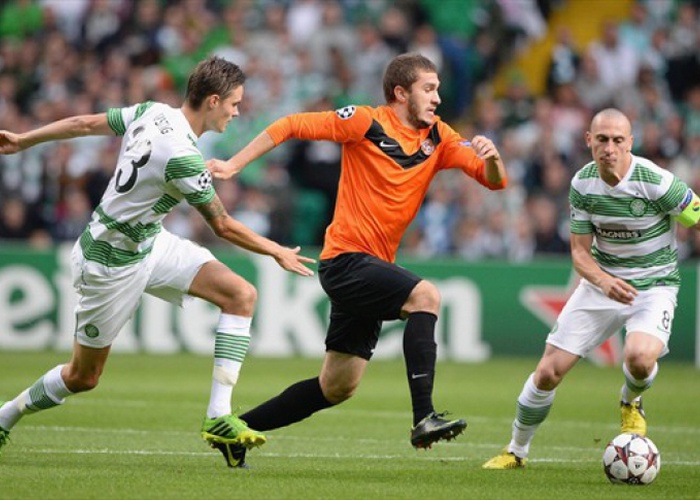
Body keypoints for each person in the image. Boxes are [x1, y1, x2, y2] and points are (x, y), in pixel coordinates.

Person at [0, 56, 316, 466]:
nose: (237, 112)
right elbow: (222, 225)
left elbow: (84, 123)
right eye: (234, 104)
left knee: (240, 295)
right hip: (110, 261)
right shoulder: (183, 156)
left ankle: (218, 416)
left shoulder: (153, 111)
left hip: (149, 242)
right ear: (213, 101)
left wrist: (24, 140)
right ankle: (5, 415)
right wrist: (276, 250)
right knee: (83, 376)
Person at [208, 52, 508, 467]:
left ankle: (235, 431)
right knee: (426, 296)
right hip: (345, 260)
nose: (437, 98)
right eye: (428, 89)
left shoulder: (438, 137)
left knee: (337, 386)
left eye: (438, 89)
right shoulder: (364, 122)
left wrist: (493, 158)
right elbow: (290, 124)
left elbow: (494, 181)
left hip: (371, 268)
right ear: (400, 93)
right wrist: (233, 164)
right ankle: (424, 416)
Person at [483, 108, 700, 469]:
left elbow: (697, 216)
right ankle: (516, 451)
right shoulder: (582, 185)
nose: (609, 148)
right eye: (602, 140)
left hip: (654, 286)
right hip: (602, 285)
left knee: (640, 359)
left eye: (617, 140)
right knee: (548, 372)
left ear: (630, 143)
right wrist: (603, 281)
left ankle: (630, 401)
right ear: (588, 141)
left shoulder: (657, 182)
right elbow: (580, 253)